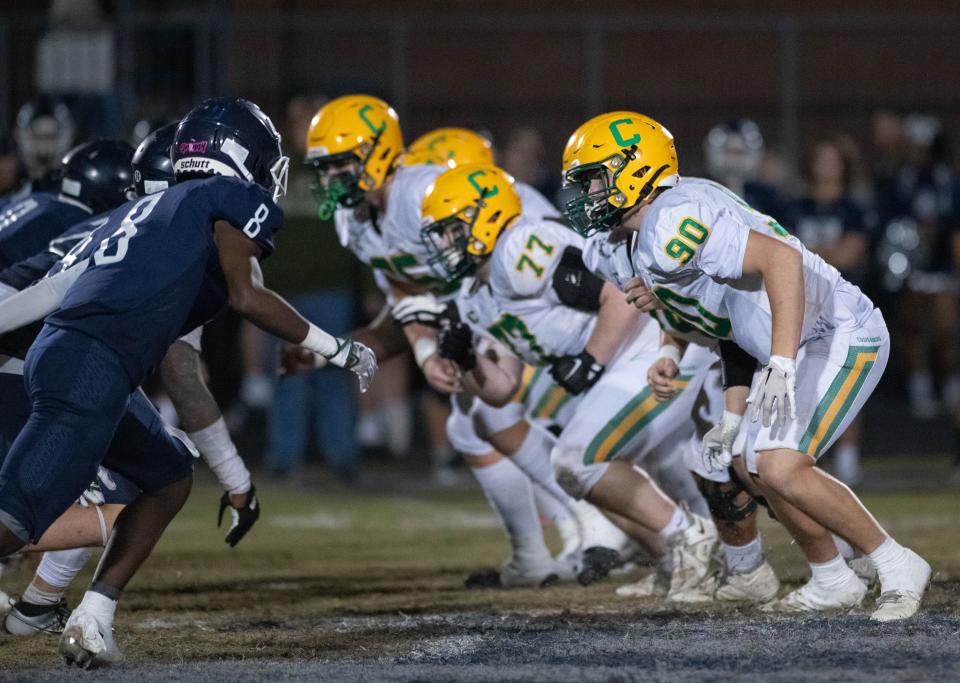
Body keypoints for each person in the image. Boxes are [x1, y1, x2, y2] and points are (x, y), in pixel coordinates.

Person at [0, 97, 376, 667]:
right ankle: (43, 604)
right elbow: (249, 297)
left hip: (75, 358)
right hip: (89, 365)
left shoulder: (144, 217)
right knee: (14, 519)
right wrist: (339, 348)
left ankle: (93, 619)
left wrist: (234, 476)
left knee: (170, 475)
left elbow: (53, 289)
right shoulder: (227, 198)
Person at [560, 110, 930, 621]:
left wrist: (778, 363)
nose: (589, 194)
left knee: (779, 463)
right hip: (788, 341)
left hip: (837, 330)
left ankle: (896, 563)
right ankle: (832, 577)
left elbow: (781, 261)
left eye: (595, 179)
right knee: (745, 462)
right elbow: (724, 316)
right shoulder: (647, 232)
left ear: (634, 170)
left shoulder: (671, 219)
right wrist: (714, 393)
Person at [300, 96, 625, 587]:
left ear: (379, 153)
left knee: (497, 417)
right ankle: (545, 549)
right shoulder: (355, 218)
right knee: (474, 423)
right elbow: (404, 291)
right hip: (489, 302)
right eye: (325, 168)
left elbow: (518, 242)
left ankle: (597, 525)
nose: (331, 180)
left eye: (341, 164)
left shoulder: (421, 193)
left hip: (537, 296)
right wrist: (427, 350)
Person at [781, 135, 871, 485]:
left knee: (845, 376)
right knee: (801, 374)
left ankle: (848, 459)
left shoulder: (853, 208)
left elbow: (850, 254)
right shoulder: (794, 206)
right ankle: (798, 454)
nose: (826, 167)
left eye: (833, 160)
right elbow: (781, 254)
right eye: (821, 159)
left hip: (843, 304)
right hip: (800, 304)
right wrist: (824, 251)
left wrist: (808, 253)